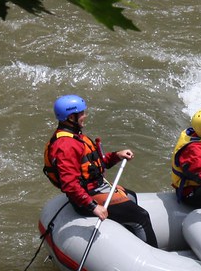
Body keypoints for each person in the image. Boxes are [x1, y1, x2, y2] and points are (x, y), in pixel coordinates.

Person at [43, 94, 158, 247]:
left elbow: (93, 165)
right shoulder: (66, 146)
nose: (85, 116)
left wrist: (116, 156)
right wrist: (93, 206)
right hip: (87, 198)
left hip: (96, 187)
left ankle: (129, 242)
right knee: (142, 217)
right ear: (71, 117)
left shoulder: (75, 137)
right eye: (82, 113)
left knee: (131, 197)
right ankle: (150, 258)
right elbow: (69, 184)